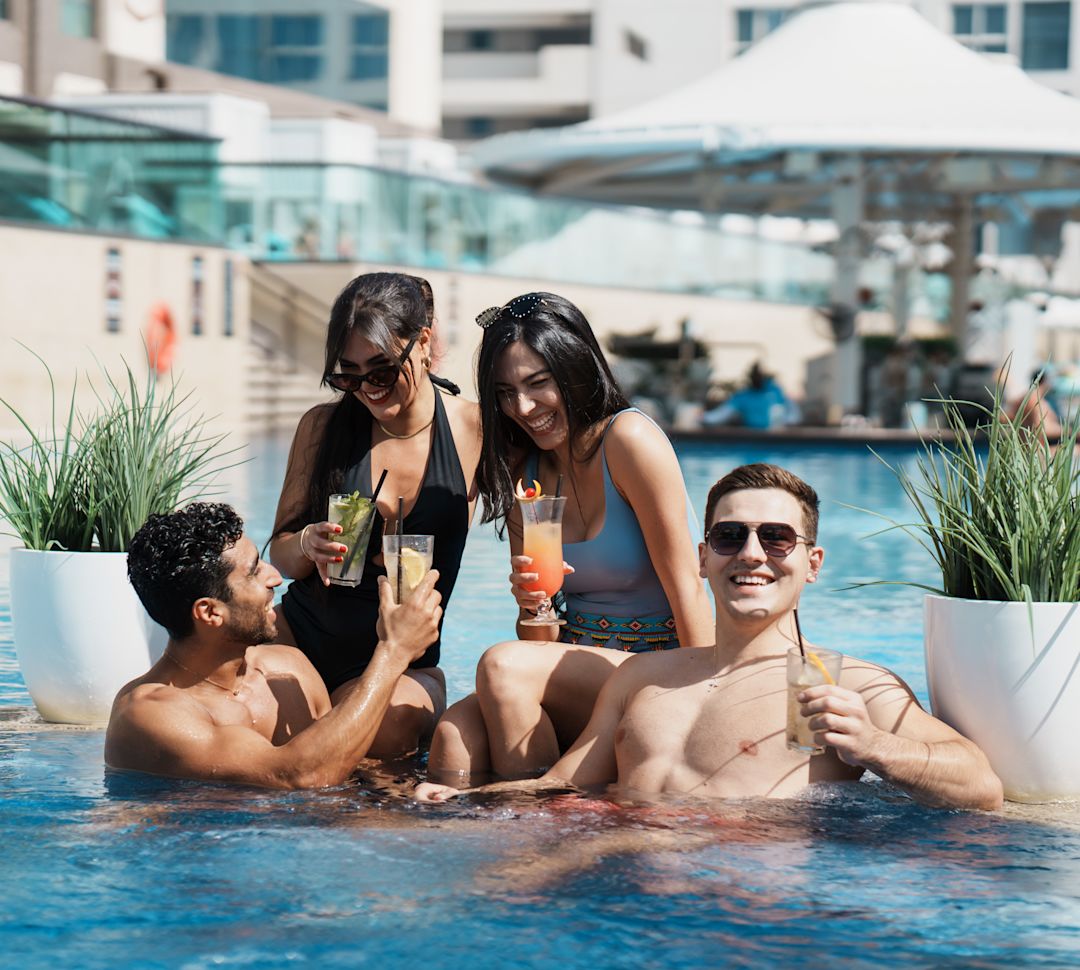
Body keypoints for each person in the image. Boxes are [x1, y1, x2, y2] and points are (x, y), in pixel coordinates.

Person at [417, 464, 1003, 810]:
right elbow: (563, 786)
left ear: (814, 562)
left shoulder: (833, 682)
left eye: (776, 538)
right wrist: (468, 803)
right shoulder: (645, 676)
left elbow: (981, 784)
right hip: (614, 885)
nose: (751, 554)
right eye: (729, 537)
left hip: (734, 897)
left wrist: (875, 746)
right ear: (703, 557)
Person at [427, 292, 714, 782]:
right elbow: (538, 639)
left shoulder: (628, 441)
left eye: (539, 383)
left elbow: (688, 585)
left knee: (502, 666)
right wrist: (533, 604)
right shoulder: (526, 474)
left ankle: (541, 826)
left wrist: (705, 710)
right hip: (576, 670)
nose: (522, 407)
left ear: (575, 368)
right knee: (455, 734)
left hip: (658, 668)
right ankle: (515, 826)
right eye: (504, 392)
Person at [268, 273, 480, 758]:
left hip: (408, 663)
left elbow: (538, 522)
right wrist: (305, 545)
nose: (366, 388)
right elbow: (279, 553)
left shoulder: (475, 431)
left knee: (382, 734)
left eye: (381, 371)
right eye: (348, 375)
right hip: (301, 637)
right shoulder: (321, 427)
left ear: (423, 342)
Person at [105, 503, 443, 788]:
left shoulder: (287, 667)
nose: (275, 578)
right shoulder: (149, 714)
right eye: (254, 572)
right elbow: (301, 776)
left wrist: (410, 792)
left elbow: (343, 765)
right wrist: (393, 651)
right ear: (210, 612)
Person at [701, 362, 794, 430]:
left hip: (772, 436)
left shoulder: (774, 392)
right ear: (750, 378)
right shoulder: (744, 396)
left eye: (760, 376)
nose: (758, 379)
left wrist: (787, 422)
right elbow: (721, 414)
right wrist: (703, 417)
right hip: (751, 435)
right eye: (755, 376)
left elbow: (792, 412)